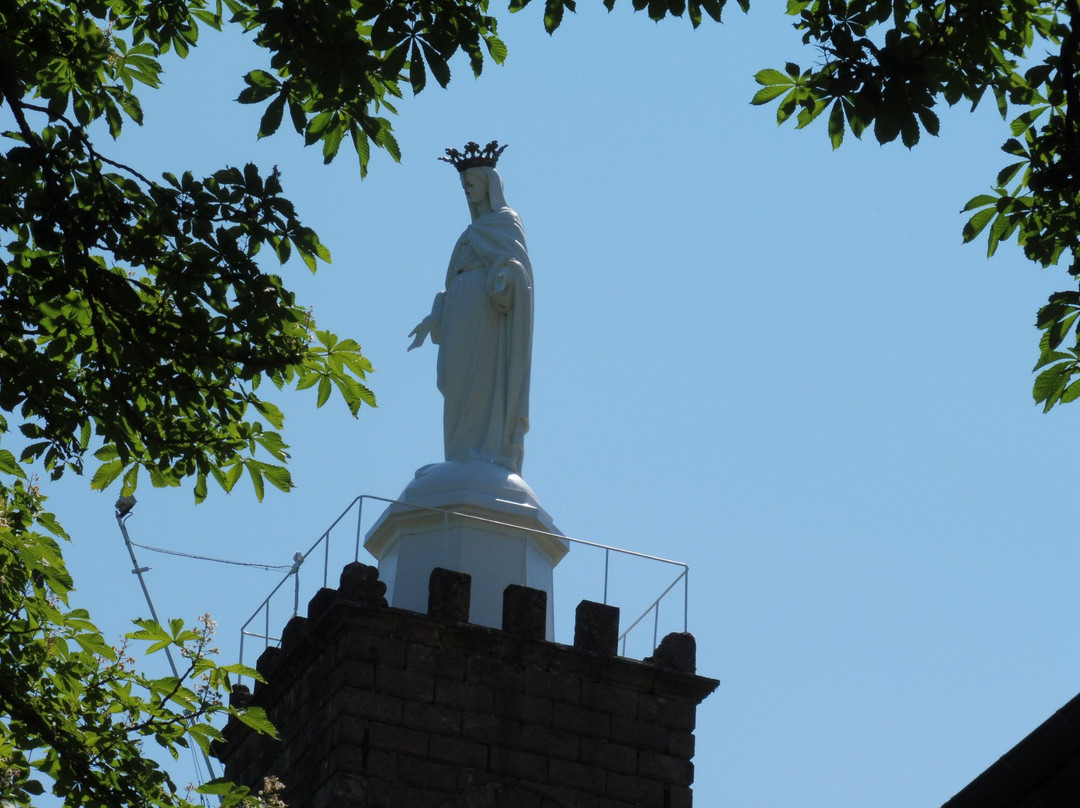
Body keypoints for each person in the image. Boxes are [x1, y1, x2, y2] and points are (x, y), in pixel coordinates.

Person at [408, 146, 533, 475]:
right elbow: (451, 283)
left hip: (485, 314)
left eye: (471, 185)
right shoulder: (469, 234)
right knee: (457, 381)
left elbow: (516, 266)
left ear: (488, 185)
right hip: (459, 314)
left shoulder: (506, 222)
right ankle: (459, 453)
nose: (467, 191)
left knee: (481, 379)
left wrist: (506, 276)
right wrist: (434, 317)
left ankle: (482, 451)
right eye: (464, 187)